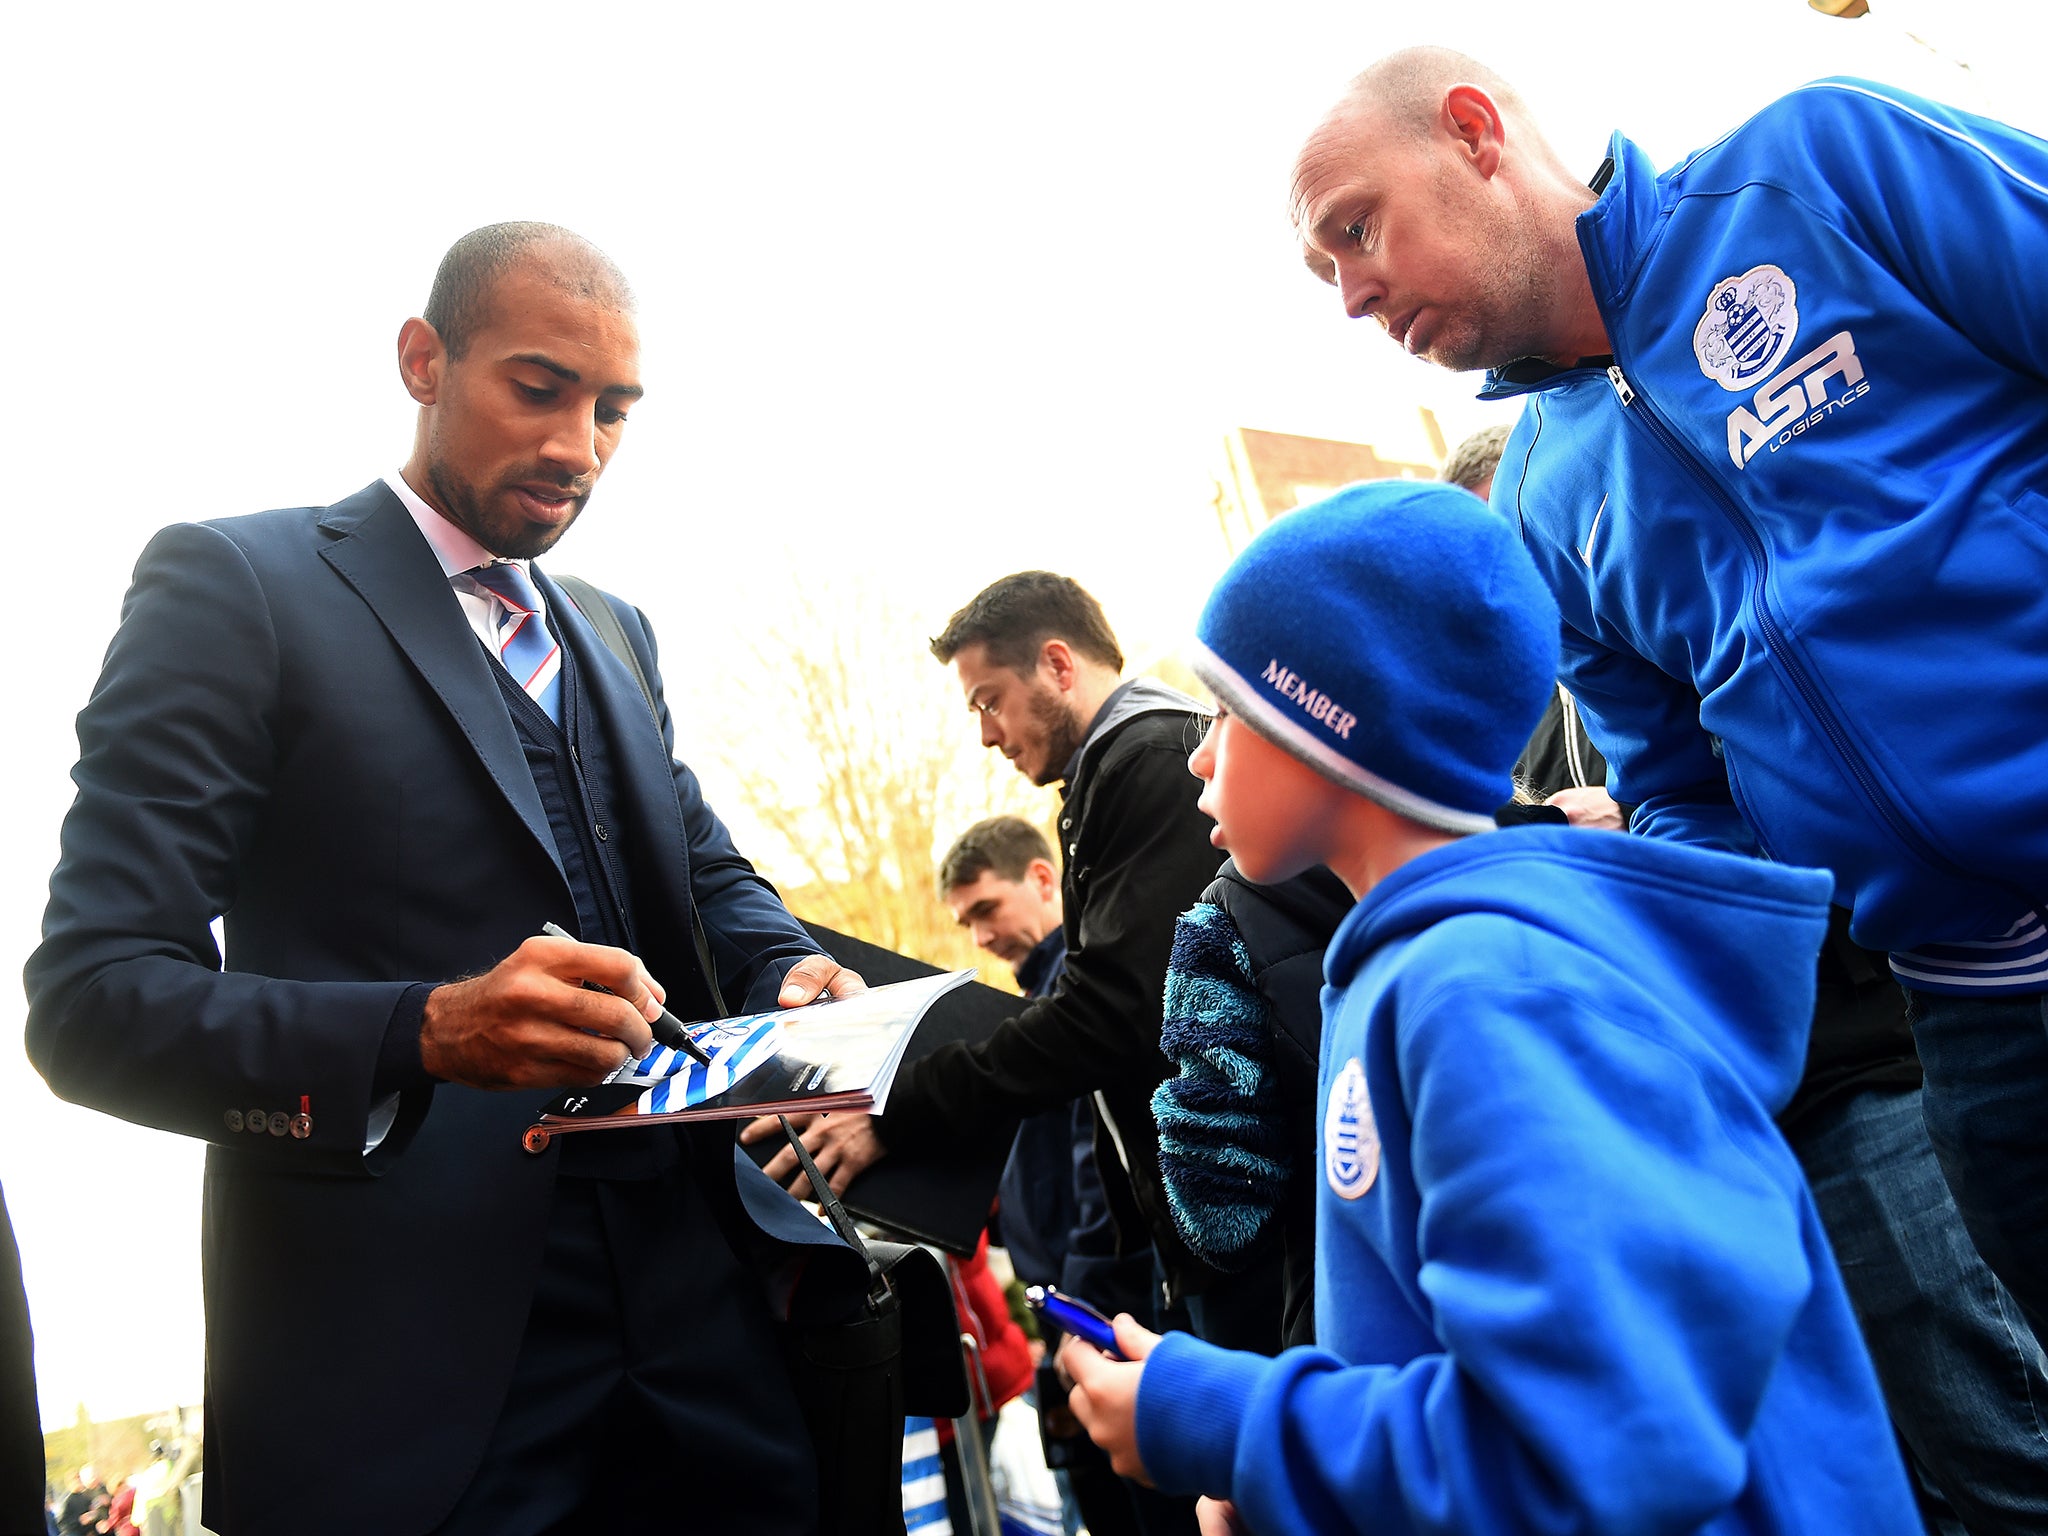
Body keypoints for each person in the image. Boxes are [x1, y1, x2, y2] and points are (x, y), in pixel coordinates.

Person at [24, 223, 877, 1536]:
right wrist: (423, 1030)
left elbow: (703, 869)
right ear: (424, 360)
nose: (579, 447)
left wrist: (785, 966)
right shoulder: (234, 584)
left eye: (614, 412)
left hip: (709, 1327)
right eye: (539, 389)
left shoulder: (614, 632)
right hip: (407, 1366)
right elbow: (92, 1002)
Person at [1287, 45, 2048, 1338]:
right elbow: (1688, 798)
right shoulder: (1536, 502)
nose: (1353, 294)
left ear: (1476, 132)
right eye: (1324, 274)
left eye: (1356, 231)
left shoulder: (1816, 166)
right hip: (1979, 1037)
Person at [1061, 477, 1919, 1534]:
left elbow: (1597, 1446)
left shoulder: (1483, 993)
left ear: (1328, 726)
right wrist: (1304, 1494)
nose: (1194, 755)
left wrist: (1231, 1424)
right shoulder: (1413, 974)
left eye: (1228, 712)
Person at [1520, 694, 2048, 1531]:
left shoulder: (1685, 619)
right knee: (1887, 1475)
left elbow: (1837, 784)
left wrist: (1639, 829)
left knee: (1997, 1441)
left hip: (1848, 1070)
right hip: (1708, 1124)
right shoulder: (1533, 717)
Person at [757, 574, 1228, 1327]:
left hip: (1239, 1229)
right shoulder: (1113, 774)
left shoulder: (1147, 761)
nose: (984, 733)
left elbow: (1112, 1017)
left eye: (988, 700)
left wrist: (897, 1112)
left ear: (1059, 665)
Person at [936, 816, 1179, 1536]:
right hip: (1064, 1313)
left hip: (1103, 1315)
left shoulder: (1080, 1006)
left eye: (986, 909)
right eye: (964, 921)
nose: (978, 937)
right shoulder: (1026, 1009)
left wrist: (1086, 1314)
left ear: (1044, 879)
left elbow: (1096, 1170)